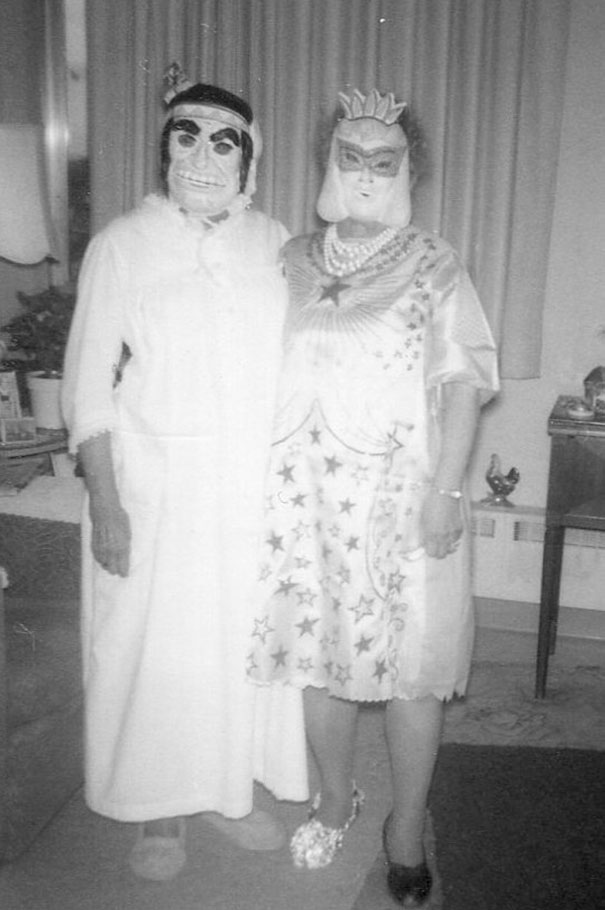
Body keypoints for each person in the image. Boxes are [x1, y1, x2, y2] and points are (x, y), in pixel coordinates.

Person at [248, 88, 499, 906]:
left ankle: (406, 823)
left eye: (381, 161)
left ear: (407, 171)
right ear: (328, 163)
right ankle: (333, 799)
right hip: (304, 498)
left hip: (402, 497)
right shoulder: (287, 259)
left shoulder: (435, 263)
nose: (363, 173)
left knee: (411, 671)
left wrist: (446, 491)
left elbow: (462, 384)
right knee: (318, 658)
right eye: (349, 157)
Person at [61, 66, 307, 881]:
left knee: (230, 648)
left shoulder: (273, 242)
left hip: (247, 493)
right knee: (155, 654)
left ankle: (221, 792)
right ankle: (157, 806)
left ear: (249, 160)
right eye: (186, 138)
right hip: (154, 489)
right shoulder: (121, 245)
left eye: (223, 143)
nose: (202, 157)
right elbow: (86, 386)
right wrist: (107, 503)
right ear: (164, 151)